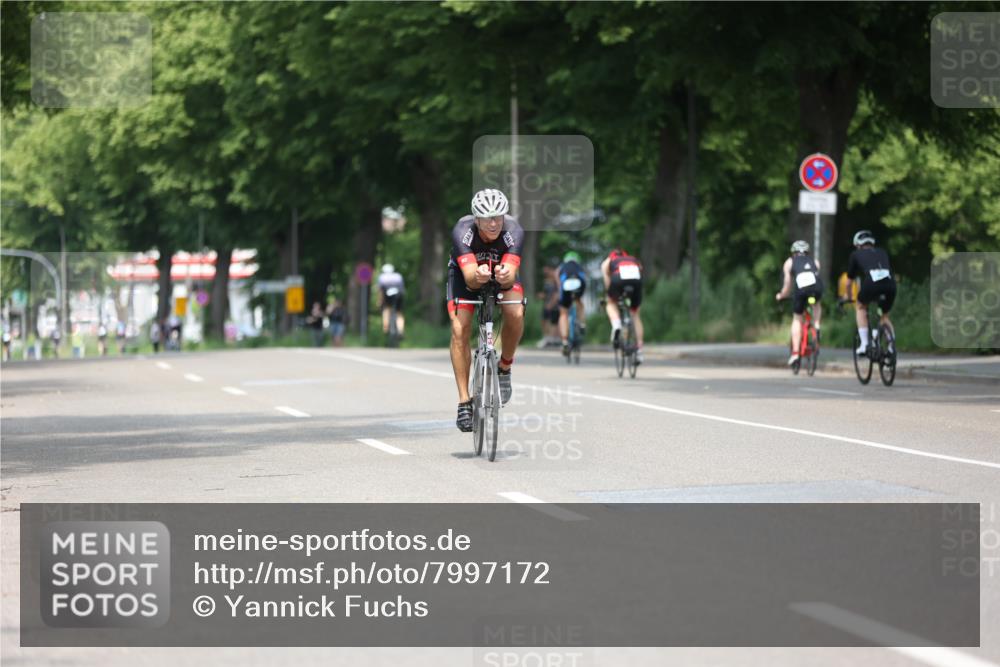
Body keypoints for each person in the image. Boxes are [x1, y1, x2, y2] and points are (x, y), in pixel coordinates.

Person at [446, 188, 525, 432]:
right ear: (477, 219)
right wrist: (477, 274)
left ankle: (504, 367)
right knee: (459, 329)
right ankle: (464, 402)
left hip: (500, 275)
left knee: (515, 312)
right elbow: (470, 279)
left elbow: (510, 275)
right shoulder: (463, 231)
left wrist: (504, 274)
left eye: (498, 217)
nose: (493, 223)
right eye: (487, 218)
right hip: (466, 276)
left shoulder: (513, 230)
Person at [847, 230, 896, 354]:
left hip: (872, 283)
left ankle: (864, 344)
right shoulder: (882, 251)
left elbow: (849, 282)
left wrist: (849, 297)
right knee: (884, 315)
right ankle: (891, 347)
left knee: (860, 306)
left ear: (858, 245)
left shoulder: (856, 254)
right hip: (890, 284)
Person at [775, 240, 823, 366]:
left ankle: (795, 353)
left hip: (801, 290)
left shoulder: (789, 262)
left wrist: (782, 295)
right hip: (815, 289)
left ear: (793, 252)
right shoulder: (815, 262)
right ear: (807, 252)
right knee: (816, 304)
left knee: (797, 318)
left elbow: (787, 284)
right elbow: (816, 277)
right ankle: (817, 326)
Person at [601, 248, 644, 364]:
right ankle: (639, 349)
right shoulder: (633, 259)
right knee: (635, 314)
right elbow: (641, 270)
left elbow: (607, 281)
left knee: (610, 303)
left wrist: (608, 295)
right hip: (636, 281)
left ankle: (616, 325)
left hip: (618, 279)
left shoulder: (608, 261)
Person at [557, 251, 588, 357]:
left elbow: (559, 280)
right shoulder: (579, 266)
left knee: (563, 312)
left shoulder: (562, 266)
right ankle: (582, 324)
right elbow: (584, 278)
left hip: (566, 284)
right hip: (579, 282)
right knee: (579, 303)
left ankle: (565, 341)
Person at [377, 264, 406, 339]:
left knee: (386, 309)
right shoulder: (398, 276)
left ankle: (386, 327)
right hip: (398, 295)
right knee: (399, 313)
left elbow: (381, 291)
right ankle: (400, 330)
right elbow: (402, 289)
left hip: (388, 296)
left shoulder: (382, 277)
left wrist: (380, 301)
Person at [537, 261, 561, 348]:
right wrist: (542, 296)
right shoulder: (546, 281)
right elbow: (546, 293)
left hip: (554, 305)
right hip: (546, 303)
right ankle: (547, 338)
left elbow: (557, 293)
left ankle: (553, 339)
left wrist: (551, 303)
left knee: (553, 322)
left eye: (547, 271)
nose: (545, 273)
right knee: (544, 320)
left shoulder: (556, 281)